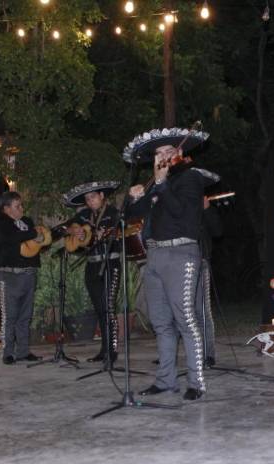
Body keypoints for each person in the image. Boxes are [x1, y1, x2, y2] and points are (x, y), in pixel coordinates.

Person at [127, 144, 207, 401]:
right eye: (157, 154)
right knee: (160, 322)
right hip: (154, 255)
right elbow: (132, 216)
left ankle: (196, 382)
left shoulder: (190, 178)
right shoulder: (155, 184)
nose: (161, 157)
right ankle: (165, 380)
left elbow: (181, 211)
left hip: (181, 253)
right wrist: (134, 198)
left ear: (178, 155)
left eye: (167, 152)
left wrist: (161, 185)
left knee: (186, 318)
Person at [62, 181, 121, 363]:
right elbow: (69, 225)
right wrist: (76, 230)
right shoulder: (85, 214)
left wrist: (108, 233)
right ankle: (104, 350)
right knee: (99, 309)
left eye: (93, 197)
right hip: (92, 265)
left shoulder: (114, 213)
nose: (90, 201)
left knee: (109, 309)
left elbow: (121, 231)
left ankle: (112, 351)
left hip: (111, 263)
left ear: (102, 196)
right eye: (87, 199)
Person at [0, 191, 43, 365]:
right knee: (10, 315)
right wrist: (34, 234)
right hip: (8, 275)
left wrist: (43, 236)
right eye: (17, 206)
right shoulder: (0, 224)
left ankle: (23, 351)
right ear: (6, 208)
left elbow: (35, 242)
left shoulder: (27, 222)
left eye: (21, 205)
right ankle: (7, 353)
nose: (22, 208)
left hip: (28, 273)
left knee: (25, 315)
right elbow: (12, 238)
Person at [198, 195, 223, 367]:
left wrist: (207, 210)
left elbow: (218, 231)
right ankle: (168, 354)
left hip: (200, 261)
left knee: (203, 311)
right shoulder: (179, 206)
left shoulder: (202, 208)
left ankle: (208, 354)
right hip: (178, 262)